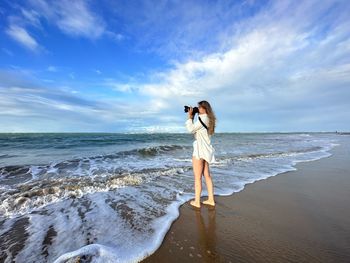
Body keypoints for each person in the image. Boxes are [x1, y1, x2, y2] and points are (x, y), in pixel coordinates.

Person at [185, 100, 216, 208]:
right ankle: (211, 199)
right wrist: (194, 116)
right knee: (207, 175)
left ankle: (197, 202)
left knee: (197, 177)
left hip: (199, 150)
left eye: (199, 107)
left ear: (204, 108)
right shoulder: (208, 119)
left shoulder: (203, 118)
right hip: (206, 150)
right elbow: (197, 130)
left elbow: (190, 129)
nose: (198, 109)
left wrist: (190, 117)